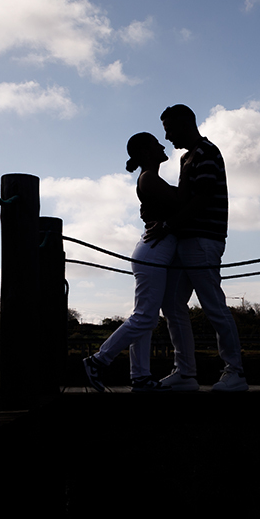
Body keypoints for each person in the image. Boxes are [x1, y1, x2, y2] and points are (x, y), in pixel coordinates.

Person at [153, 104, 248, 392]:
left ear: (185, 124)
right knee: (170, 303)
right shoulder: (186, 159)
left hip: (204, 240)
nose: (168, 138)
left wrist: (168, 225)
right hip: (187, 240)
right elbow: (185, 197)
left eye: (169, 130)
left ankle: (236, 373)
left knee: (213, 306)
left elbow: (201, 199)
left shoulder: (208, 153)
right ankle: (185, 373)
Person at [82, 133, 180, 392]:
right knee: (146, 317)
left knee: (144, 317)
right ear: (147, 152)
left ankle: (140, 376)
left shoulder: (152, 178)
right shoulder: (148, 178)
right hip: (154, 252)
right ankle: (98, 360)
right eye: (156, 143)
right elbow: (181, 202)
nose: (162, 145)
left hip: (153, 251)